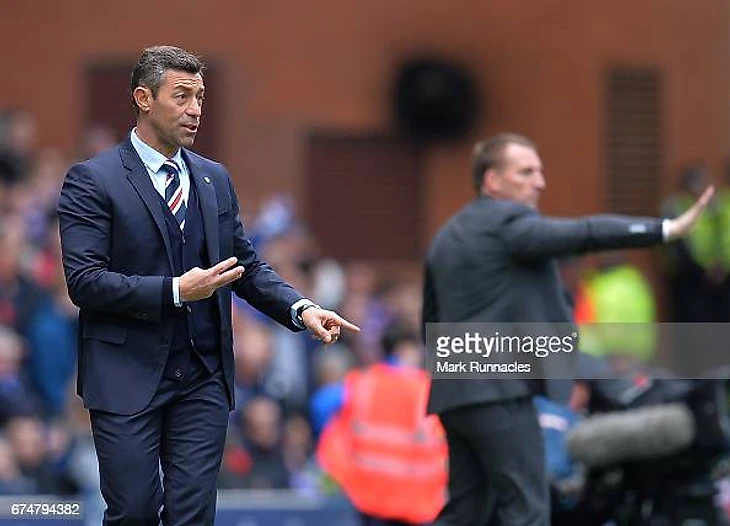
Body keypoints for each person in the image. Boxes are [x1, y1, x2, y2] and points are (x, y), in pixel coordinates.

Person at [57, 45, 360, 526]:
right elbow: (85, 282)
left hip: (203, 380)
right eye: (181, 96)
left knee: (193, 516)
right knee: (133, 512)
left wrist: (301, 308)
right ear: (143, 98)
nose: (195, 109)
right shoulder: (93, 180)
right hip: (124, 375)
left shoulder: (214, 179)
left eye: (200, 97)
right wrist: (177, 289)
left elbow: (246, 265)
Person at [421, 132, 713, 525]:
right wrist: (664, 230)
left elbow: (430, 319)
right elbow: (583, 233)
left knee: (465, 510)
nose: (539, 182)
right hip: (498, 390)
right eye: (525, 172)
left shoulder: (447, 236)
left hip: (455, 392)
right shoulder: (507, 221)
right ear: (492, 181)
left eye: (539, 171)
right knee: (528, 508)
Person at [316, 323, 448, 526]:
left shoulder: (364, 382)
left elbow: (322, 403)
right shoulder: (424, 387)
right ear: (405, 349)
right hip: (414, 500)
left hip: (368, 495)